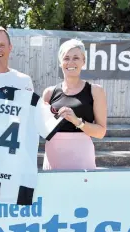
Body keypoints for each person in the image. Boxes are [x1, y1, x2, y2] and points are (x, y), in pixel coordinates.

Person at [42, 39, 107, 170]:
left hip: (82, 157)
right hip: (53, 156)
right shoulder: (49, 93)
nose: (70, 62)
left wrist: (77, 121)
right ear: (61, 63)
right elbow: (42, 129)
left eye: (76, 58)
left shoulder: (95, 91)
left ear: (83, 61)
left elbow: (101, 132)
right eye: (66, 58)